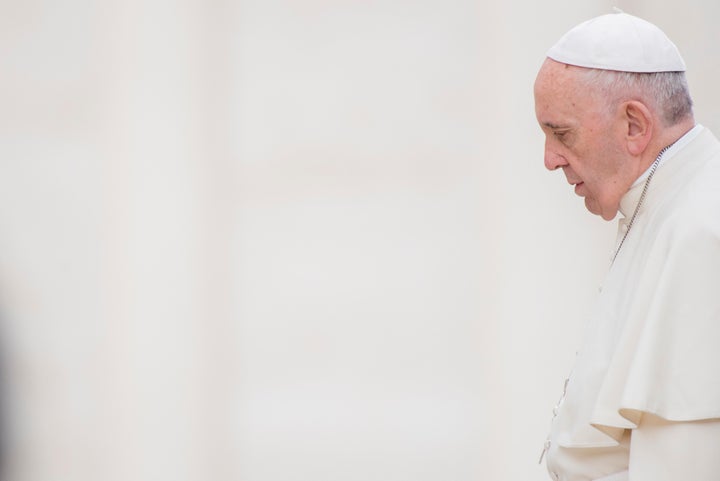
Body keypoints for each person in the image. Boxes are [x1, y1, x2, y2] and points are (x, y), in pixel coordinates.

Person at [533, 11, 720, 481]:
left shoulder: (702, 233)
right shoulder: (662, 204)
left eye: (562, 133)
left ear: (635, 126)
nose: (549, 160)